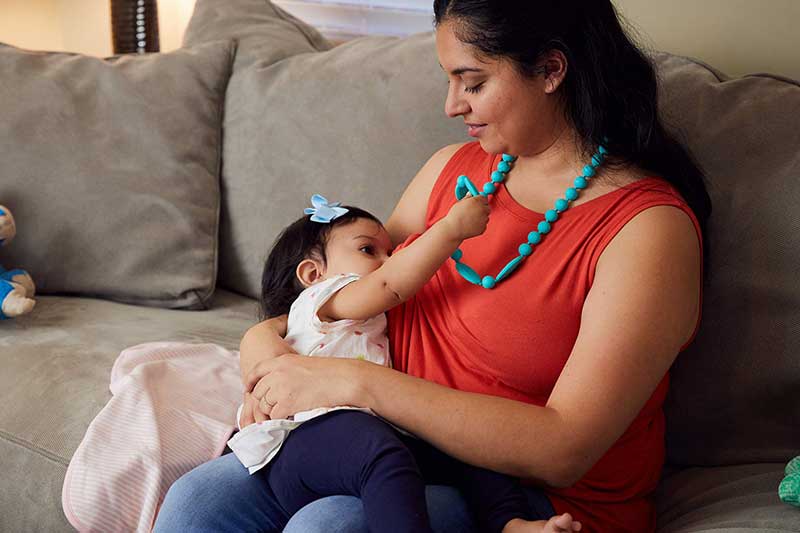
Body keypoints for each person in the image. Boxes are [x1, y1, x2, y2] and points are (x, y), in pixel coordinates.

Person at [154, 0, 711, 532]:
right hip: (385, 446)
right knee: (198, 498)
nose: (451, 106)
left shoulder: (647, 231)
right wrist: (265, 357)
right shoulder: (453, 170)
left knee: (330, 525)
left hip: (524, 496)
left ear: (550, 69)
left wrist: (355, 383)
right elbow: (347, 292)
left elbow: (563, 450)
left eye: (473, 82)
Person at [220, 194, 578, 533]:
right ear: (313, 275)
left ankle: (508, 522)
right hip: (306, 440)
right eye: (367, 249)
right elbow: (389, 285)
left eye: (390, 251)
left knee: (468, 453)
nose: (388, 260)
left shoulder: (348, 311)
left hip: (358, 435)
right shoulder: (325, 297)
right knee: (383, 457)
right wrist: (450, 230)